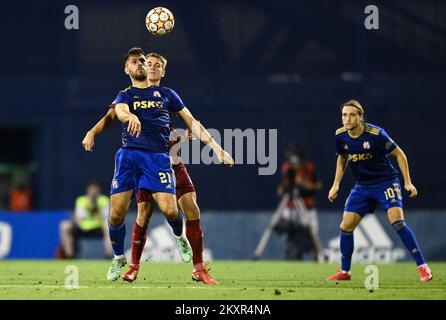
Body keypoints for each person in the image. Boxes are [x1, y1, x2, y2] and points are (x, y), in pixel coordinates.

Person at [98, 48, 234, 282]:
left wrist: (217, 148)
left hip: (171, 163)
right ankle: (133, 266)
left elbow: (191, 123)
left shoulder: (167, 95)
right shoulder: (128, 95)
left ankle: (197, 265)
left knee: (185, 209)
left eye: (154, 63)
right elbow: (114, 115)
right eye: (144, 62)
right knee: (143, 213)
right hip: (143, 161)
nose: (149, 65)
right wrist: (94, 132)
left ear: (163, 71)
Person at [327, 99, 432, 282]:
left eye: (352, 114)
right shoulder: (340, 136)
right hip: (362, 186)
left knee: (397, 220)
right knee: (345, 226)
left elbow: (399, 154)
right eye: (344, 115)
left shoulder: (376, 134)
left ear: (361, 117)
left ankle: (423, 267)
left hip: (386, 182)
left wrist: (407, 182)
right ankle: (345, 272)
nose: (347, 118)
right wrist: (335, 184)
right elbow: (342, 158)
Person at [275, 144, 322, 260]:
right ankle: (292, 254)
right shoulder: (287, 168)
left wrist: (306, 185)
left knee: (312, 233)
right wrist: (285, 188)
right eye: (292, 162)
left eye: (297, 162)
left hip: (307, 207)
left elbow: (318, 185)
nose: (295, 165)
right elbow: (282, 188)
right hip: (290, 207)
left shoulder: (308, 168)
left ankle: (317, 256)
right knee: (288, 234)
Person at [59, 181, 112, 258]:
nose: (93, 192)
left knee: (108, 227)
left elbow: (106, 218)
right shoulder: (81, 200)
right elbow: (79, 219)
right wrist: (88, 208)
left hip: (98, 227)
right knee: (64, 225)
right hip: (82, 227)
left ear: (98, 191)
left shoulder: (104, 200)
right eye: (91, 190)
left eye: (95, 190)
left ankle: (108, 255)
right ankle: (69, 256)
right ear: (88, 191)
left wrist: (96, 208)